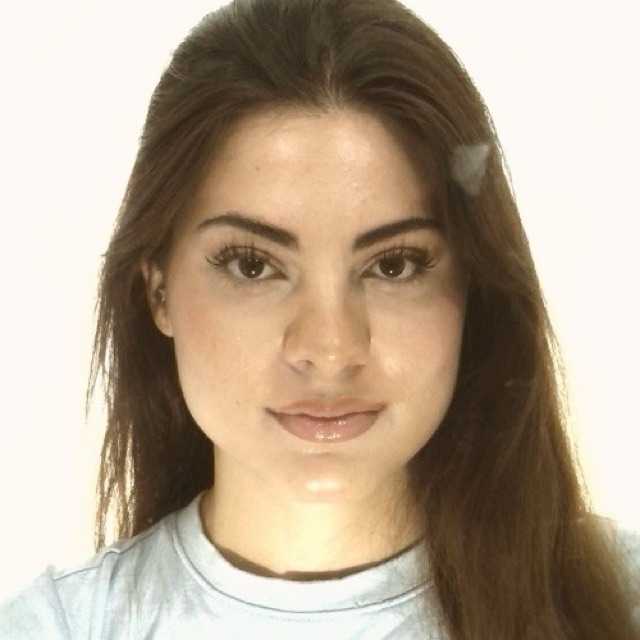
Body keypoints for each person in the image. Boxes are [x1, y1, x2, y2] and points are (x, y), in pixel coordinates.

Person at [1, 0, 639, 638]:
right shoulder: (59, 628)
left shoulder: (617, 603)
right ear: (158, 292)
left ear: (475, 286)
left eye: (394, 265)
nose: (330, 348)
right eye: (253, 265)